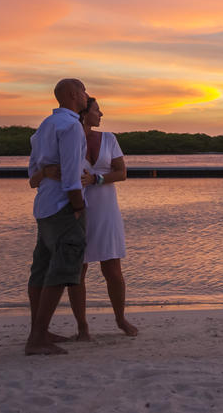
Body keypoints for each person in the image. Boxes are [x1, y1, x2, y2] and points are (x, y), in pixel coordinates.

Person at [31, 97, 138, 338]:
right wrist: (47, 173)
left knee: (112, 269)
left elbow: (121, 173)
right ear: (84, 113)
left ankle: (121, 319)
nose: (101, 114)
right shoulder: (68, 138)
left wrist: (96, 179)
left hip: (106, 208)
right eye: (97, 110)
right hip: (76, 207)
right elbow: (39, 175)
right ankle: (82, 327)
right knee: (78, 269)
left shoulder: (109, 139)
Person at [25, 78, 89, 356]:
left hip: (44, 205)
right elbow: (73, 174)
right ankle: (37, 337)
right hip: (62, 206)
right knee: (61, 270)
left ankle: (38, 330)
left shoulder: (45, 126)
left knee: (41, 268)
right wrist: (78, 207)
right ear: (74, 94)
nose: (87, 96)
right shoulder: (71, 126)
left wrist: (44, 175)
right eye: (84, 91)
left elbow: (32, 175)